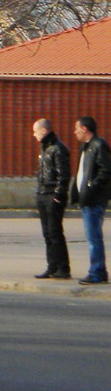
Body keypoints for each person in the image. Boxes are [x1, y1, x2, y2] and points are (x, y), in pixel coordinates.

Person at [69, 116, 111, 284]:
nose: (75, 132)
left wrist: (91, 188)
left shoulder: (98, 145)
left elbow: (106, 171)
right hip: (87, 199)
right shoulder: (86, 147)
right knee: (92, 236)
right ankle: (99, 271)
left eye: (77, 128)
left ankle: (96, 272)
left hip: (94, 199)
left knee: (93, 237)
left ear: (85, 129)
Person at [32, 119, 70, 279]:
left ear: (44, 131)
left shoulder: (58, 148)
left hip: (52, 194)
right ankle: (52, 266)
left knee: (55, 233)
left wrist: (58, 195)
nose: (33, 135)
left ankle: (63, 268)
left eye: (35, 131)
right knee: (47, 233)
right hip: (42, 193)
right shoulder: (44, 147)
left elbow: (64, 175)